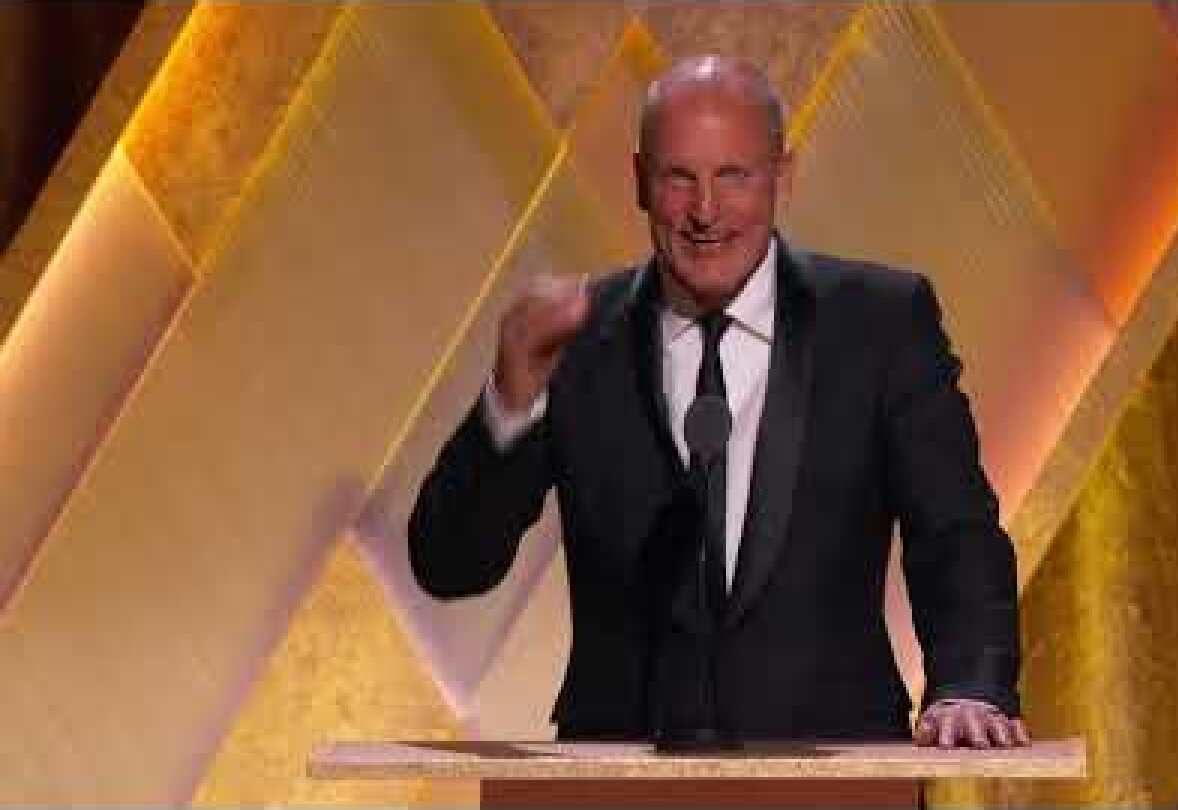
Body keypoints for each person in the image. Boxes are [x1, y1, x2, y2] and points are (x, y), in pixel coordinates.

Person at [409, 56, 1028, 749]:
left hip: (839, 770)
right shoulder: (578, 338)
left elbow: (956, 532)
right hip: (618, 774)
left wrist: (970, 683)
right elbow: (450, 565)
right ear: (639, 180)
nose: (705, 211)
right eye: (679, 177)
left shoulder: (879, 323)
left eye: (734, 175)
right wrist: (511, 396)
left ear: (782, 176)